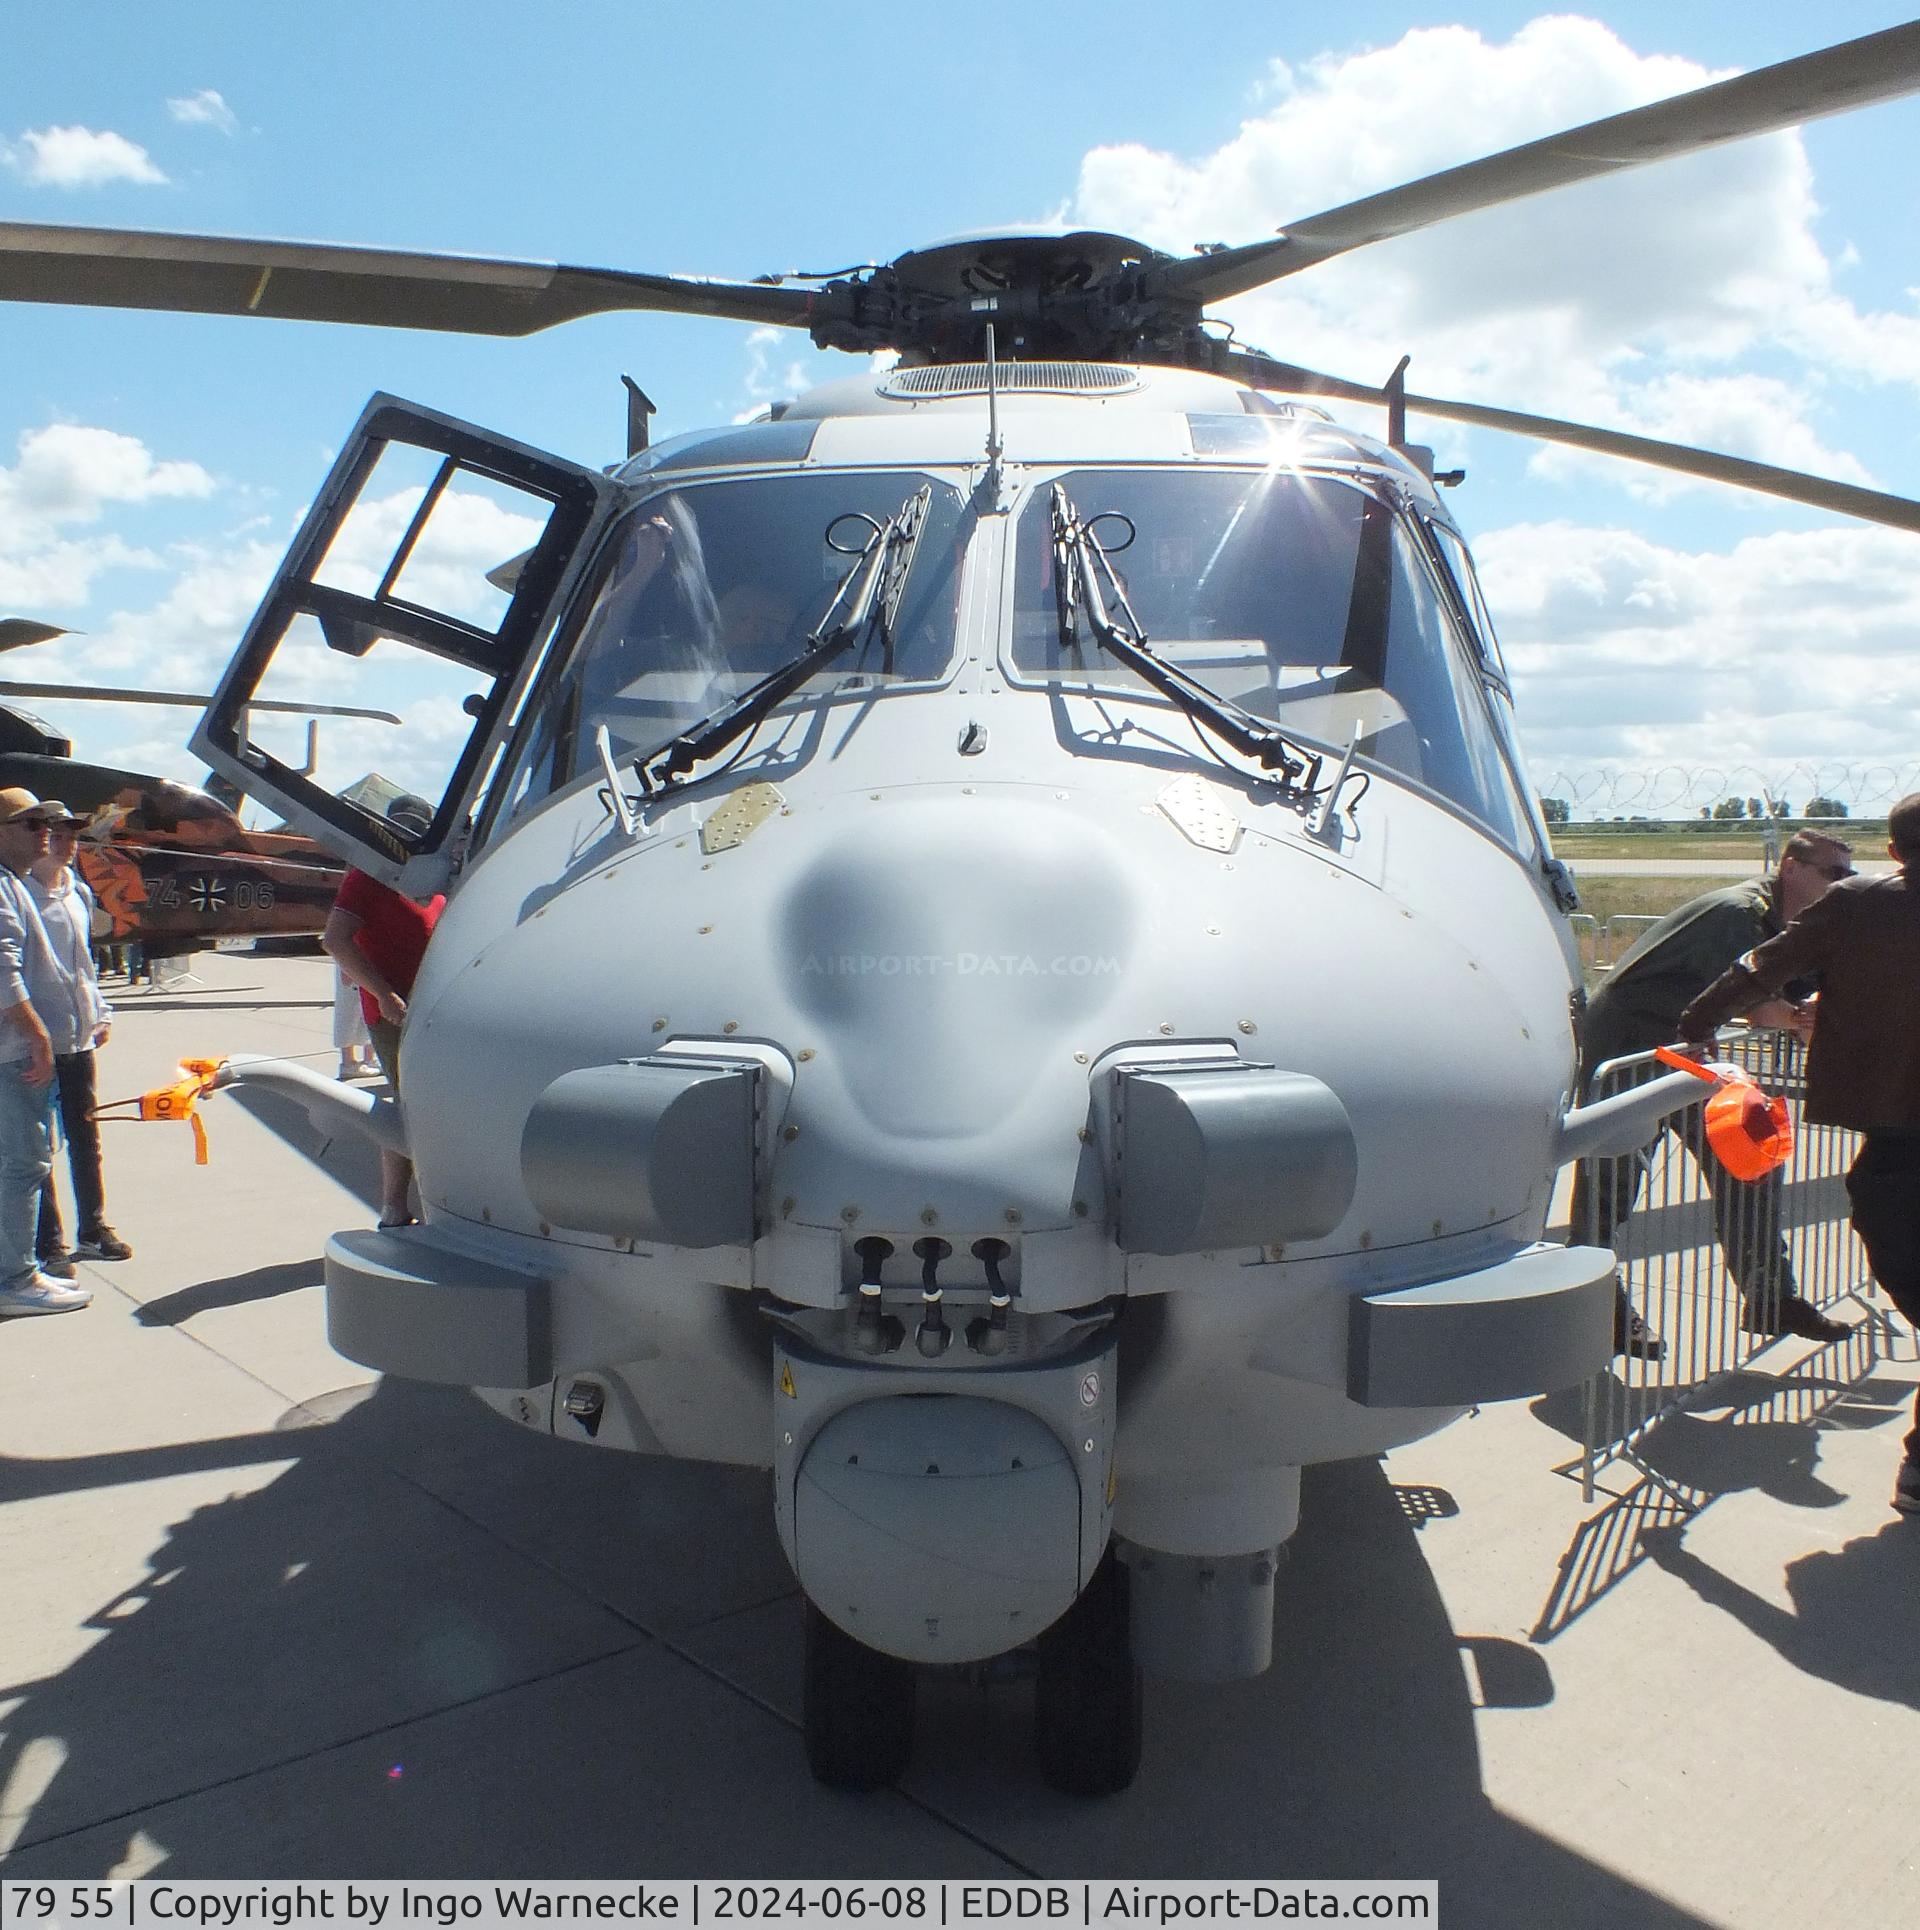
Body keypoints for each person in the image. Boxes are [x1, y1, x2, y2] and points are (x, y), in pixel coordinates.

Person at [1680, 793, 1920, 1515]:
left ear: (1893, 847)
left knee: (1898, 1247)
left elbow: (1762, 965)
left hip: (1896, 1131)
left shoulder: (1858, 904)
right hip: (1899, 1133)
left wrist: (1698, 1020)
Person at [1572, 829, 1858, 1359]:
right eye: (1833, 873)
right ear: (1792, 869)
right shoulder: (1737, 914)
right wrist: (1796, 1017)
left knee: (1749, 1158)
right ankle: (1592, 1304)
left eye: (1850, 874)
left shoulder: (1790, 922)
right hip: (1634, 1047)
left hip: (1689, 1052)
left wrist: (1809, 1006)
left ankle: (1771, 1296)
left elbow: (1793, 985)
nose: (1844, 883)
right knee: (1609, 1186)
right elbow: (1746, 998)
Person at [321, 795, 444, 1228]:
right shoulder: (369, 876)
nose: (407, 836)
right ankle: (397, 1206)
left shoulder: (430, 877)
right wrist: (385, 995)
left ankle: (422, 1205)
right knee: (409, 1108)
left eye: (416, 828)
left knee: (430, 1105)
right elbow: (335, 939)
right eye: (401, 827)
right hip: (395, 1014)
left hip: (434, 1010)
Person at [28, 803, 131, 1276]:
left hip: (77, 1036)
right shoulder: (18, 894)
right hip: (34, 1039)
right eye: (61, 834)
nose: (70, 843)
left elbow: (85, 963)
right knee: (38, 1144)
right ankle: (49, 1243)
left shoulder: (78, 894)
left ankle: (93, 1228)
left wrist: (101, 1011)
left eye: (74, 835)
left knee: (86, 1136)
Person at [0, 789, 91, 1318]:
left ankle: (20, 1268)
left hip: (16, 1050)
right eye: (31, 824)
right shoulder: (3, 885)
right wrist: (38, 1039)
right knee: (23, 1164)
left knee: (19, 1163)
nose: (45, 833)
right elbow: (3, 970)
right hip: (13, 1052)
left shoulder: (13, 883)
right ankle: (14, 1278)